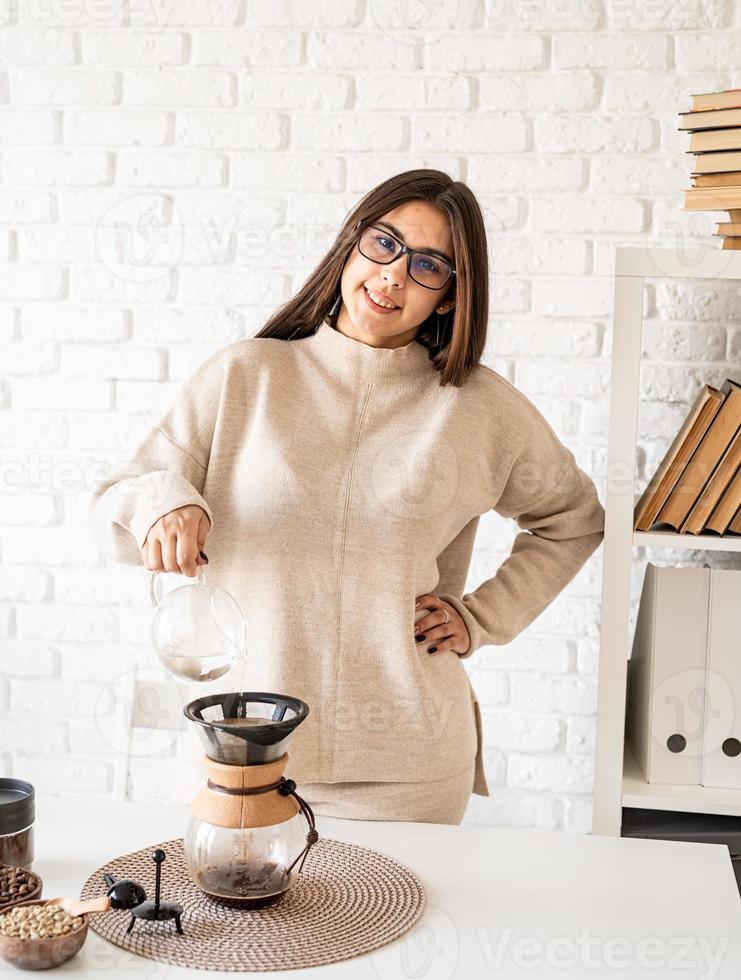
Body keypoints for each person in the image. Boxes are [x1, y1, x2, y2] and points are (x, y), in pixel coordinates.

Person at [91, 169, 605, 825]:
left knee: (390, 927)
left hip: (408, 768)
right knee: (234, 928)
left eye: (427, 266)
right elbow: (116, 505)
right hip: (241, 751)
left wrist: (480, 617)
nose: (393, 276)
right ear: (350, 247)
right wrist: (162, 501)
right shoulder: (246, 375)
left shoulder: (479, 408)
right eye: (383, 244)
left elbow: (573, 521)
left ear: (450, 296)